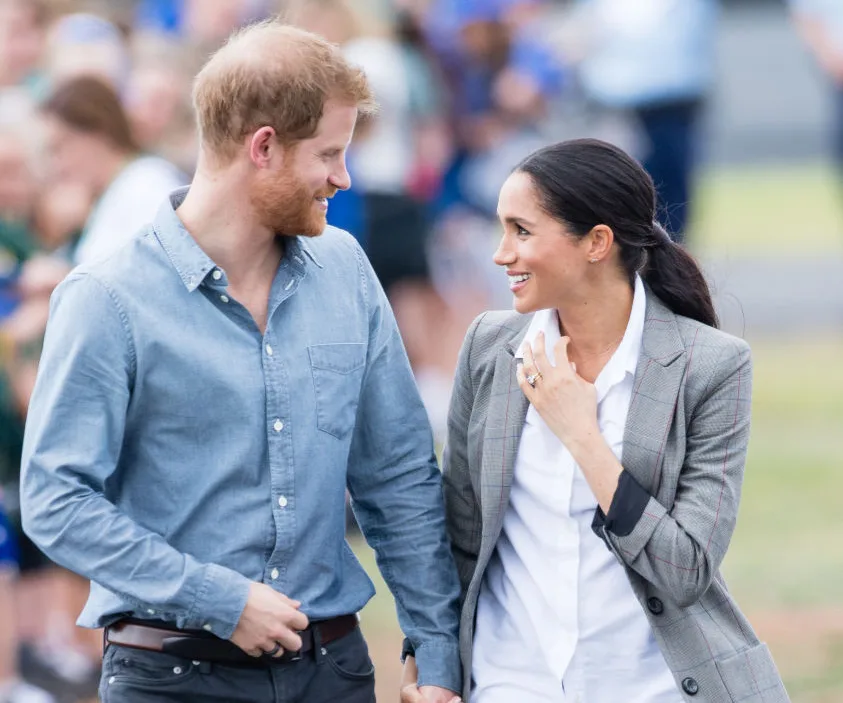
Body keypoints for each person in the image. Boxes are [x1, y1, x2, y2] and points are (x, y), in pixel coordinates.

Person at [20, 21, 462, 703]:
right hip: (169, 680)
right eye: (329, 154)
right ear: (263, 147)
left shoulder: (346, 270)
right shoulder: (107, 297)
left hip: (333, 674)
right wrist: (216, 597)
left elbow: (398, 476)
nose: (343, 178)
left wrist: (436, 655)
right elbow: (56, 500)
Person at [403, 138, 790, 703]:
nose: (501, 253)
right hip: (509, 685)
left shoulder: (711, 366)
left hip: (653, 689)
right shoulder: (488, 347)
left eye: (522, 230)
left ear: (597, 243)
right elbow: (460, 538)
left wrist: (583, 436)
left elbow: (686, 571)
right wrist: (431, 665)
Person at [40, 75, 186, 266]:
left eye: (60, 147)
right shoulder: (115, 189)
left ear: (98, 133)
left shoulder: (148, 184)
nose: (58, 166)